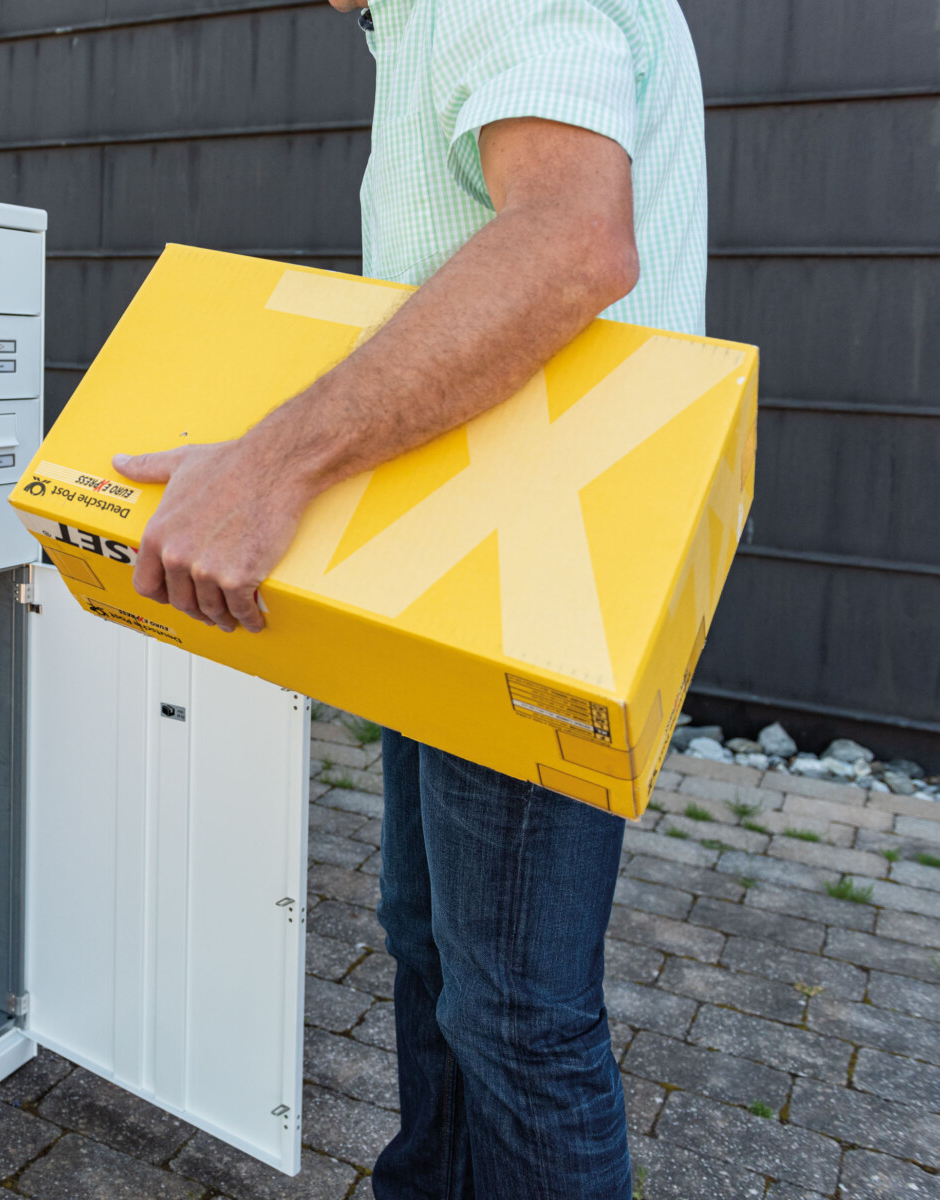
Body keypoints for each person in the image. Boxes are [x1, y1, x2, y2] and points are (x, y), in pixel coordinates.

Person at [112, 0, 707, 1195]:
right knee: (433, 949)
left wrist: (273, 466)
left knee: (517, 1012)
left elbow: (571, 243)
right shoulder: (412, 22)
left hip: (538, 578)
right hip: (463, 570)